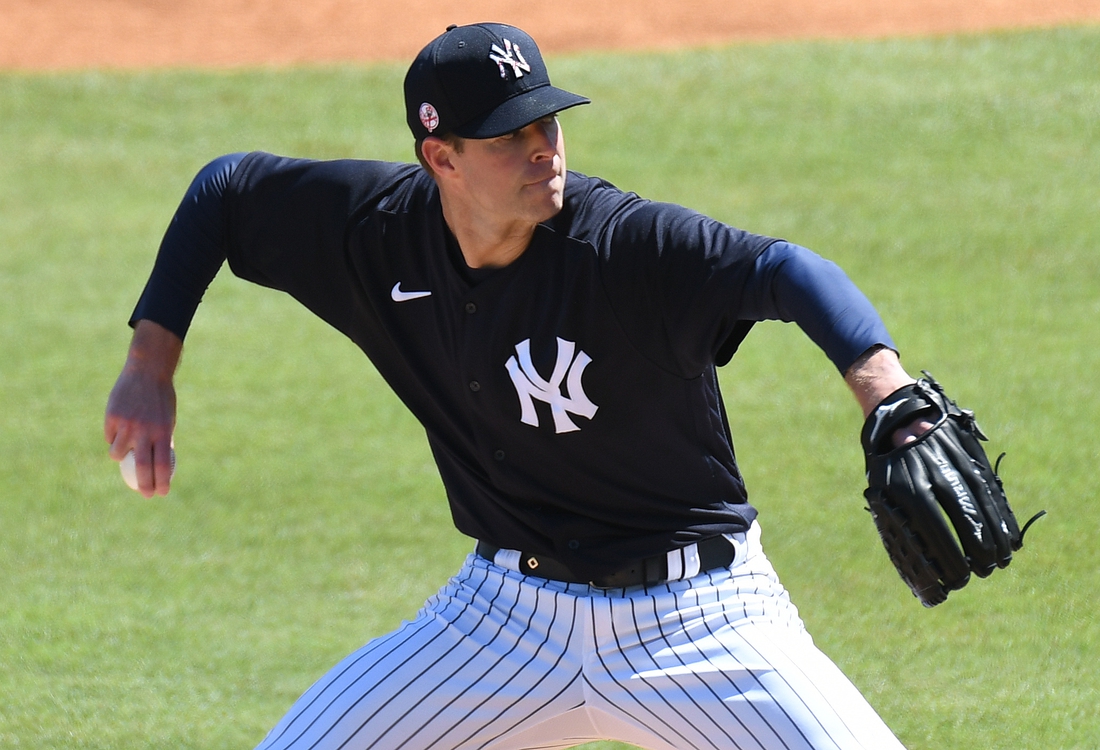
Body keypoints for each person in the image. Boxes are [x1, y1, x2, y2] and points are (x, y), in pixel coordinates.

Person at [104, 22, 927, 750]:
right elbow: (226, 190)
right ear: (441, 158)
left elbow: (788, 272)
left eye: (547, 121)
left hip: (703, 617)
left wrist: (886, 394)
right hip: (501, 620)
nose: (544, 147)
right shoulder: (375, 236)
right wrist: (151, 364)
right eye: (508, 136)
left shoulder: (624, 246)